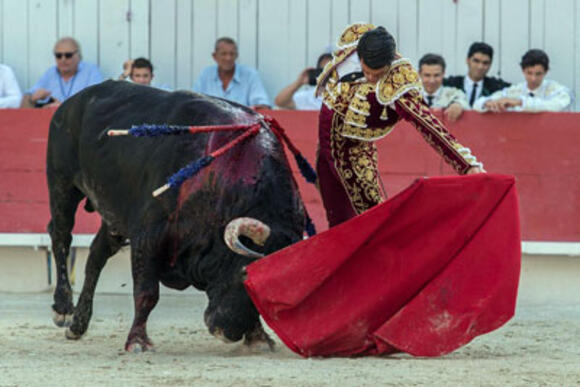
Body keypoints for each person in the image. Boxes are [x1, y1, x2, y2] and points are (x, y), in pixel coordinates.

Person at [315, 23, 484, 227]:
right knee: (336, 216)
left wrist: (467, 165)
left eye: (377, 75)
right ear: (359, 56)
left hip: (353, 155)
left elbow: (428, 125)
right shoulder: (355, 41)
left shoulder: (398, 82)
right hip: (325, 148)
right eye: (366, 71)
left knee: (371, 220)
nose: (370, 78)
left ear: (388, 65)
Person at [474, 49, 573, 112]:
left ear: (546, 72)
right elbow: (477, 104)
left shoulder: (559, 90)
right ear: (523, 70)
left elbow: (556, 106)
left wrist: (520, 102)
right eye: (529, 73)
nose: (533, 78)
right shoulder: (515, 90)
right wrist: (488, 103)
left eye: (538, 74)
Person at [20, 37, 103, 108]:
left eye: (68, 55)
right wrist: (32, 99)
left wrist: (62, 107)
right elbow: (25, 101)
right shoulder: (50, 73)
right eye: (58, 56)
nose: (63, 59)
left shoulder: (90, 71)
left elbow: (96, 100)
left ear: (78, 55)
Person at [193, 37, 270, 109]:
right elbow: (193, 103)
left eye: (232, 54)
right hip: (211, 123)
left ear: (237, 56)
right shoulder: (206, 75)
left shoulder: (250, 75)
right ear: (214, 56)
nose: (228, 58)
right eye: (224, 54)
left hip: (242, 122)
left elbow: (263, 107)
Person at [444, 42, 510, 106]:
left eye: (485, 63)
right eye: (476, 61)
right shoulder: (451, 84)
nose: (480, 67)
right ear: (467, 60)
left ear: (490, 64)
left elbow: (516, 92)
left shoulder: (497, 87)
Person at [418, 53, 469, 122]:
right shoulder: (411, 96)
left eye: (436, 75)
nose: (432, 80)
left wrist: (458, 104)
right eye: (427, 75)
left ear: (443, 74)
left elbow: (465, 103)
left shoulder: (453, 93)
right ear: (419, 74)